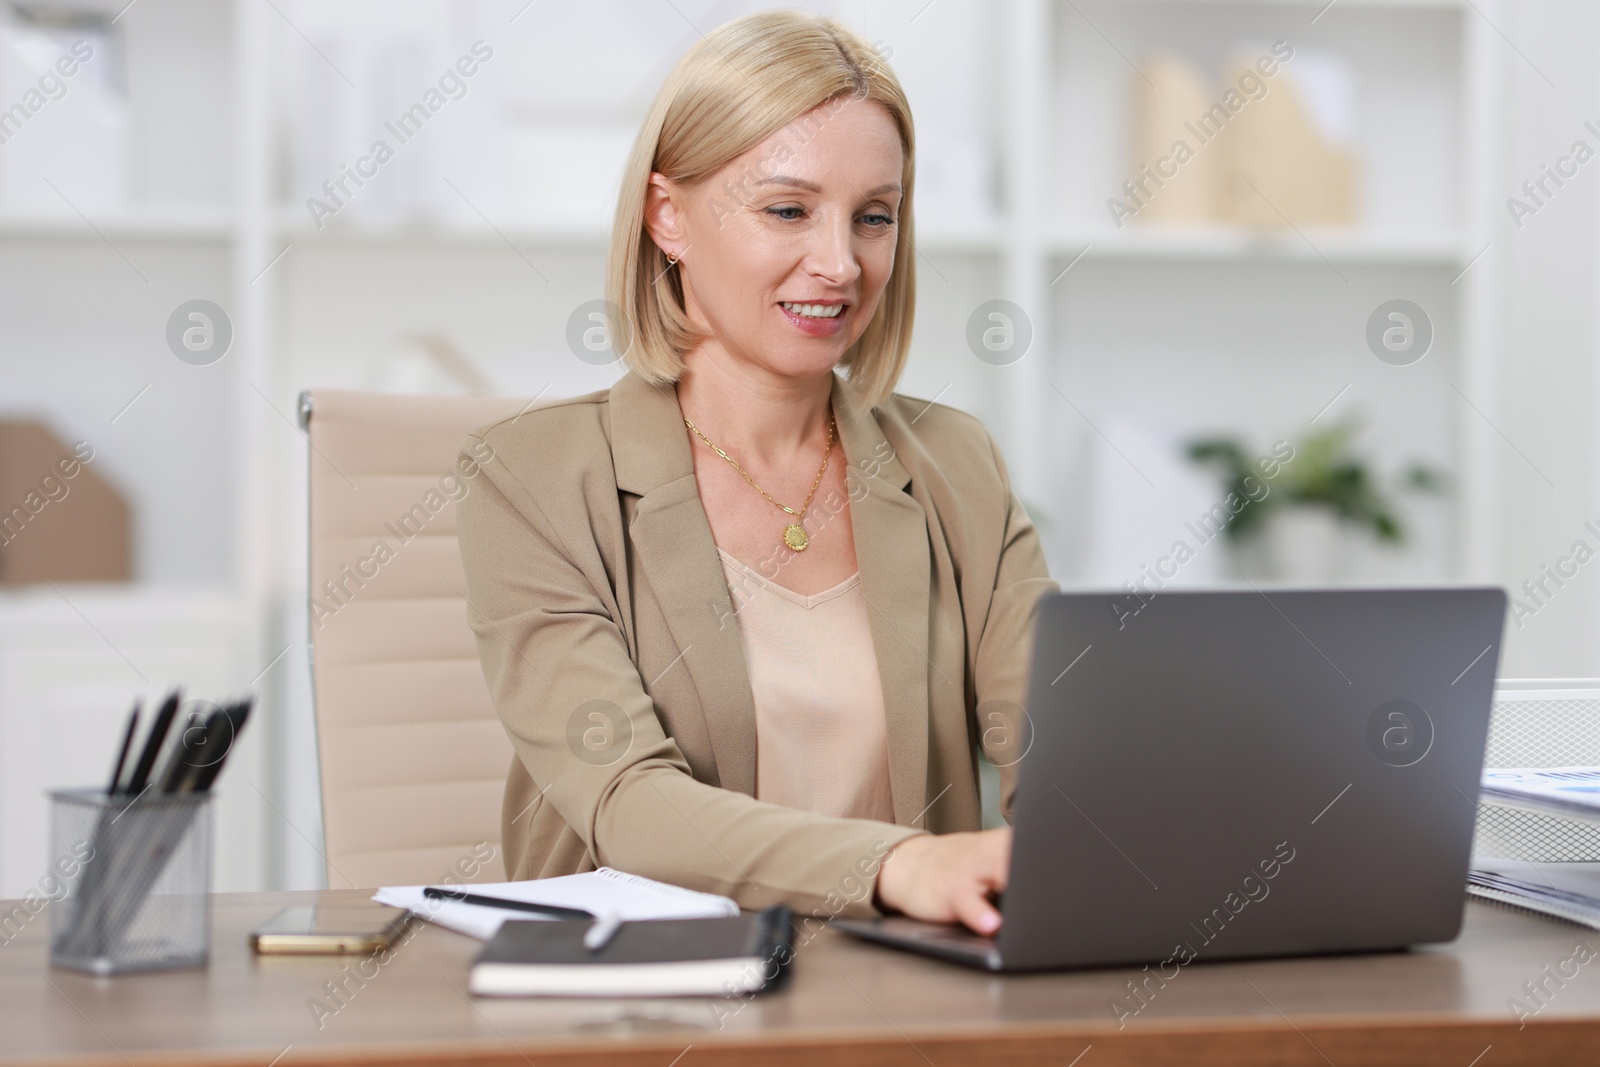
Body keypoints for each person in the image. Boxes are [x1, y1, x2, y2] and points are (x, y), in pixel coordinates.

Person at [455, 10, 1057, 936]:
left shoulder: (954, 462)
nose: (840, 263)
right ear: (668, 216)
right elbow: (630, 805)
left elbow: (1060, 750)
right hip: (644, 1000)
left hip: (907, 996)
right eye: (788, 209)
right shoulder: (533, 478)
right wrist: (897, 861)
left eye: (874, 217)